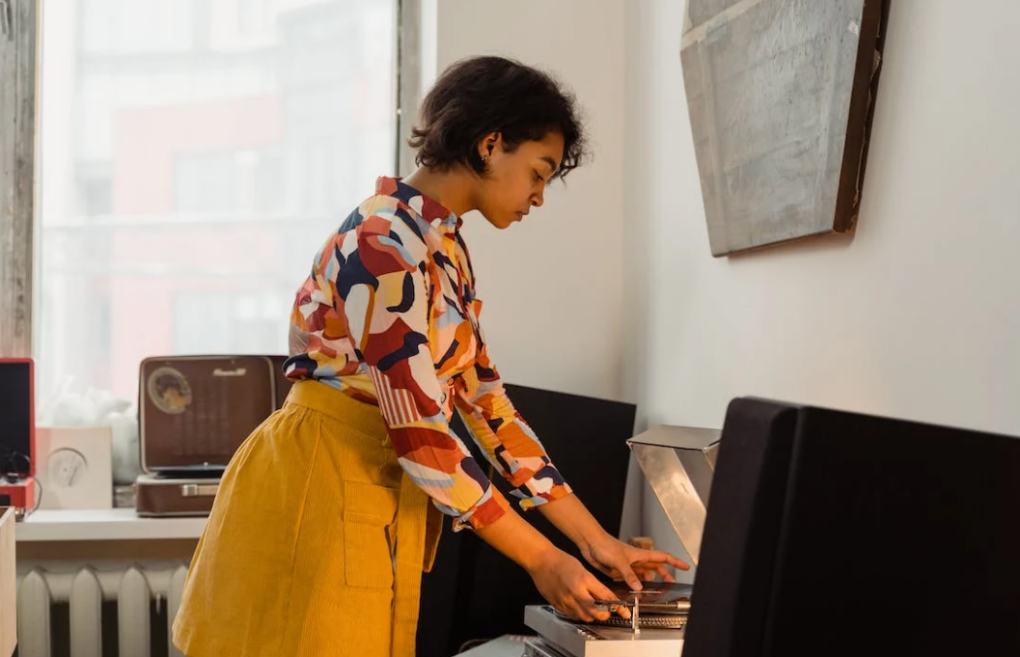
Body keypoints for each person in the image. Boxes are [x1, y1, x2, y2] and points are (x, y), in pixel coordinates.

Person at [172, 55, 688, 657]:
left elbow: (485, 404)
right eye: (539, 172)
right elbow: (420, 430)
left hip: (372, 483)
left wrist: (595, 540)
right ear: (491, 144)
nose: (539, 197)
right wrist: (543, 559)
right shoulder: (381, 240)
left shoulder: (442, 245)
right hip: (317, 482)